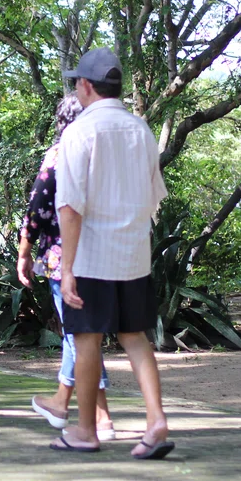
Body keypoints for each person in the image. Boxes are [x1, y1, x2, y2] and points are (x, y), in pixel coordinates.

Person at [52, 48, 174, 459]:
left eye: (76, 83)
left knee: (86, 338)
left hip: (92, 255)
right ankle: (156, 419)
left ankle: (86, 431)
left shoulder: (78, 133)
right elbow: (154, 197)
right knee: (134, 336)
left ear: (86, 86)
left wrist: (66, 268)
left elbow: (70, 207)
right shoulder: (141, 129)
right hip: (133, 254)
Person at [17, 95, 115, 442]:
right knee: (86, 336)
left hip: (67, 259)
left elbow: (39, 207)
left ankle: (62, 402)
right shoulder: (105, 158)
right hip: (105, 256)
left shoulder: (60, 154)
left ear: (61, 122)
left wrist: (24, 253)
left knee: (77, 335)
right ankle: (101, 416)